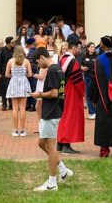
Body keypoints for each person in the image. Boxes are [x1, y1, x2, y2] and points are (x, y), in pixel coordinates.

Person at [31, 48, 73, 192]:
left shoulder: (53, 70)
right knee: (41, 143)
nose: (38, 66)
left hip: (51, 111)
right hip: (53, 111)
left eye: (38, 62)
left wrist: (39, 94)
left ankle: (52, 183)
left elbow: (55, 93)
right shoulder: (59, 69)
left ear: (42, 57)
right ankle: (63, 169)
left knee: (50, 146)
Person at [56, 36, 85, 155]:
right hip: (71, 91)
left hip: (63, 90)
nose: (79, 50)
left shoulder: (62, 58)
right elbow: (77, 80)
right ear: (73, 48)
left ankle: (60, 143)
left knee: (63, 117)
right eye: (78, 48)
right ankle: (66, 145)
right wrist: (82, 92)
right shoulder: (72, 61)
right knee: (70, 117)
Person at [5, 44, 32, 137]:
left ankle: (16, 130)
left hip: (14, 83)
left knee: (15, 108)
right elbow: (30, 74)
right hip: (23, 83)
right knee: (23, 108)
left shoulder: (10, 61)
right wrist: (23, 75)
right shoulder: (26, 61)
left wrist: (14, 75)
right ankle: (23, 130)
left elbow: (6, 74)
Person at [0, 36, 15, 111]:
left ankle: (11, 104)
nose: (13, 43)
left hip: (13, 71)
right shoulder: (2, 50)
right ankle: (4, 104)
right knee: (4, 88)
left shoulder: (14, 50)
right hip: (4, 72)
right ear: (8, 43)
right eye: (12, 42)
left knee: (12, 87)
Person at [81, 41, 99, 120]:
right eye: (91, 47)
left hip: (95, 78)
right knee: (88, 95)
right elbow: (80, 65)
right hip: (87, 77)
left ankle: (96, 111)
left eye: (93, 47)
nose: (93, 48)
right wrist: (82, 68)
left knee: (94, 94)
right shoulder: (84, 56)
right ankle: (91, 113)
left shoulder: (97, 56)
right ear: (88, 48)